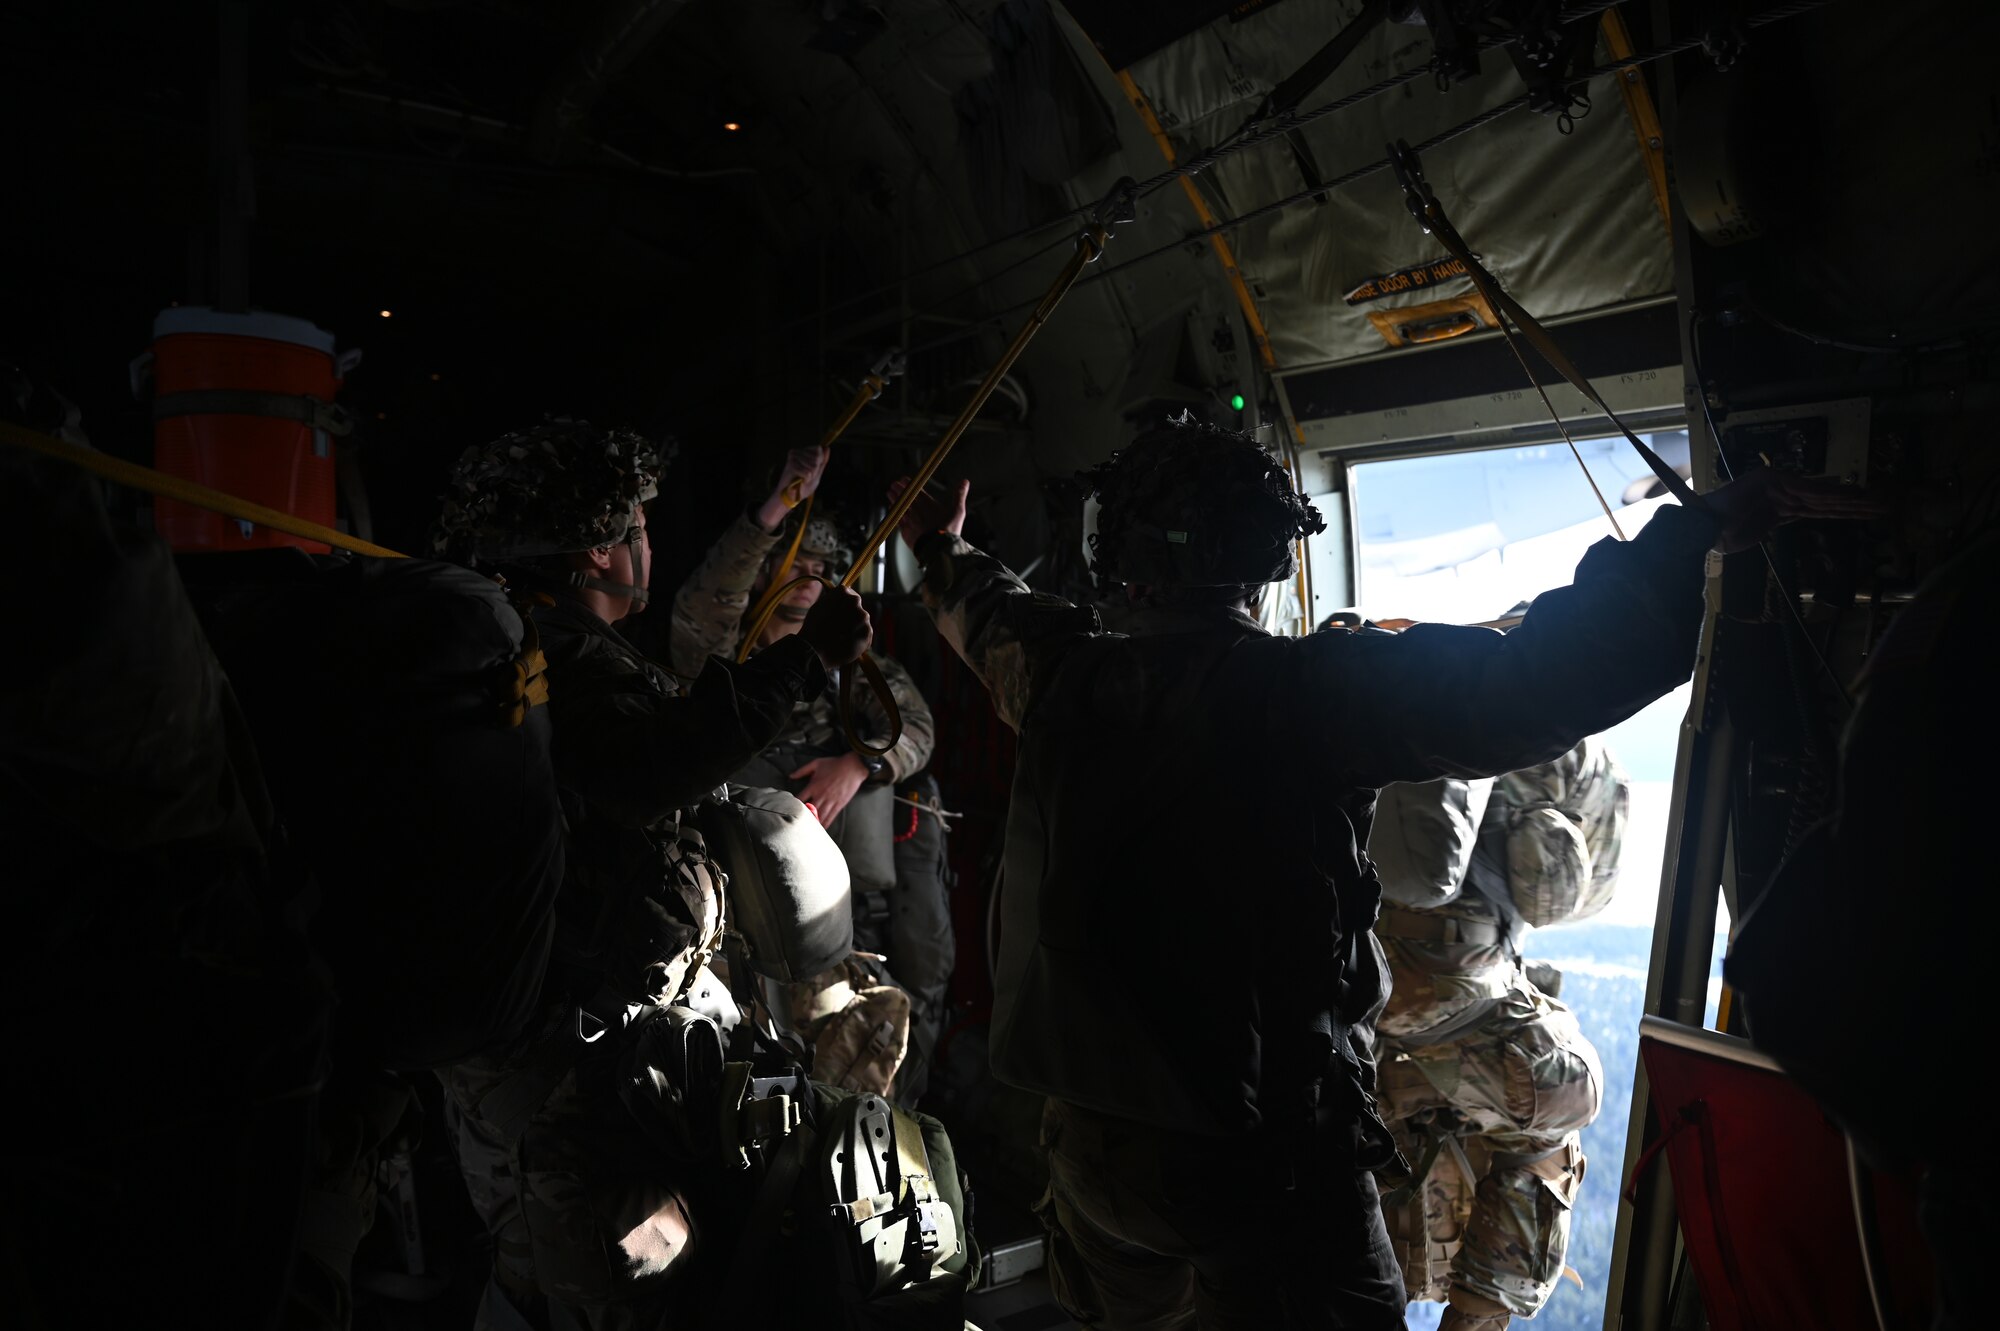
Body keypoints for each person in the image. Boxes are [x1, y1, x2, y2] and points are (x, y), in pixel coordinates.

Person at [884, 413, 1875, 1328]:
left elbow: (982, 607)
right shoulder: (1305, 695)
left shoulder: (1059, 674)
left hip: (1087, 1153)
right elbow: (1537, 677)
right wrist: (1690, 533)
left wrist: (937, 543)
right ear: (1265, 559)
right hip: (1260, 1168)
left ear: (1116, 551)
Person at [431, 418, 873, 1329]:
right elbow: (658, 760)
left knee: (559, 1273)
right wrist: (807, 657)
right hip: (564, 1071)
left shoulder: (528, 647)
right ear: (596, 551)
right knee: (603, 1286)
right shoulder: (556, 660)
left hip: (572, 1051)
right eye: (634, 526)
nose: (646, 543)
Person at [672, 443, 952, 1103]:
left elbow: (915, 724)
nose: (812, 577)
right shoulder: (725, 656)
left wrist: (857, 765)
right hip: (750, 907)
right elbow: (701, 615)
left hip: (853, 906)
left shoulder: (848, 665)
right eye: (799, 561)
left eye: (825, 567)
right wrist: (774, 512)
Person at [1369, 737, 1629, 1330]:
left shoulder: (1334, 674)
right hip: (1446, 998)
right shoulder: (1556, 740)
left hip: (1334, 987)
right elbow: (1562, 896)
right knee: (1564, 1095)